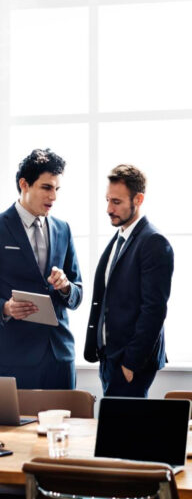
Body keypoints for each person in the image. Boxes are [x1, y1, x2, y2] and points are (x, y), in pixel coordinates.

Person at [0, 149, 83, 389]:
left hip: (59, 356)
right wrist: (6, 308)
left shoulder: (64, 229)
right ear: (24, 184)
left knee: (62, 427)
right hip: (13, 357)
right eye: (46, 187)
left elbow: (77, 294)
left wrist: (65, 287)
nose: (53, 196)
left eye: (57, 189)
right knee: (12, 428)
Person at [83, 165, 173, 397]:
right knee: (114, 431)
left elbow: (153, 310)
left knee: (126, 431)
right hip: (110, 358)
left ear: (139, 199)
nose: (108, 208)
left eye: (116, 202)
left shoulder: (153, 242)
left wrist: (131, 363)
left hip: (130, 362)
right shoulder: (120, 237)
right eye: (107, 200)